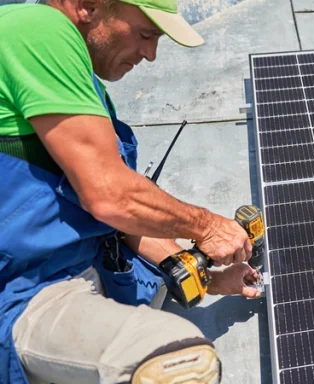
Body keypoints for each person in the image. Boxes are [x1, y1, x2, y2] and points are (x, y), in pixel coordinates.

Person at [0, 0, 261, 383]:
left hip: (80, 264)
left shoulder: (77, 79)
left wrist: (209, 279)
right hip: (25, 289)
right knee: (180, 363)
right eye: (145, 34)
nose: (151, 55)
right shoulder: (35, 27)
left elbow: (115, 219)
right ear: (87, 5)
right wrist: (207, 227)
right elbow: (109, 196)